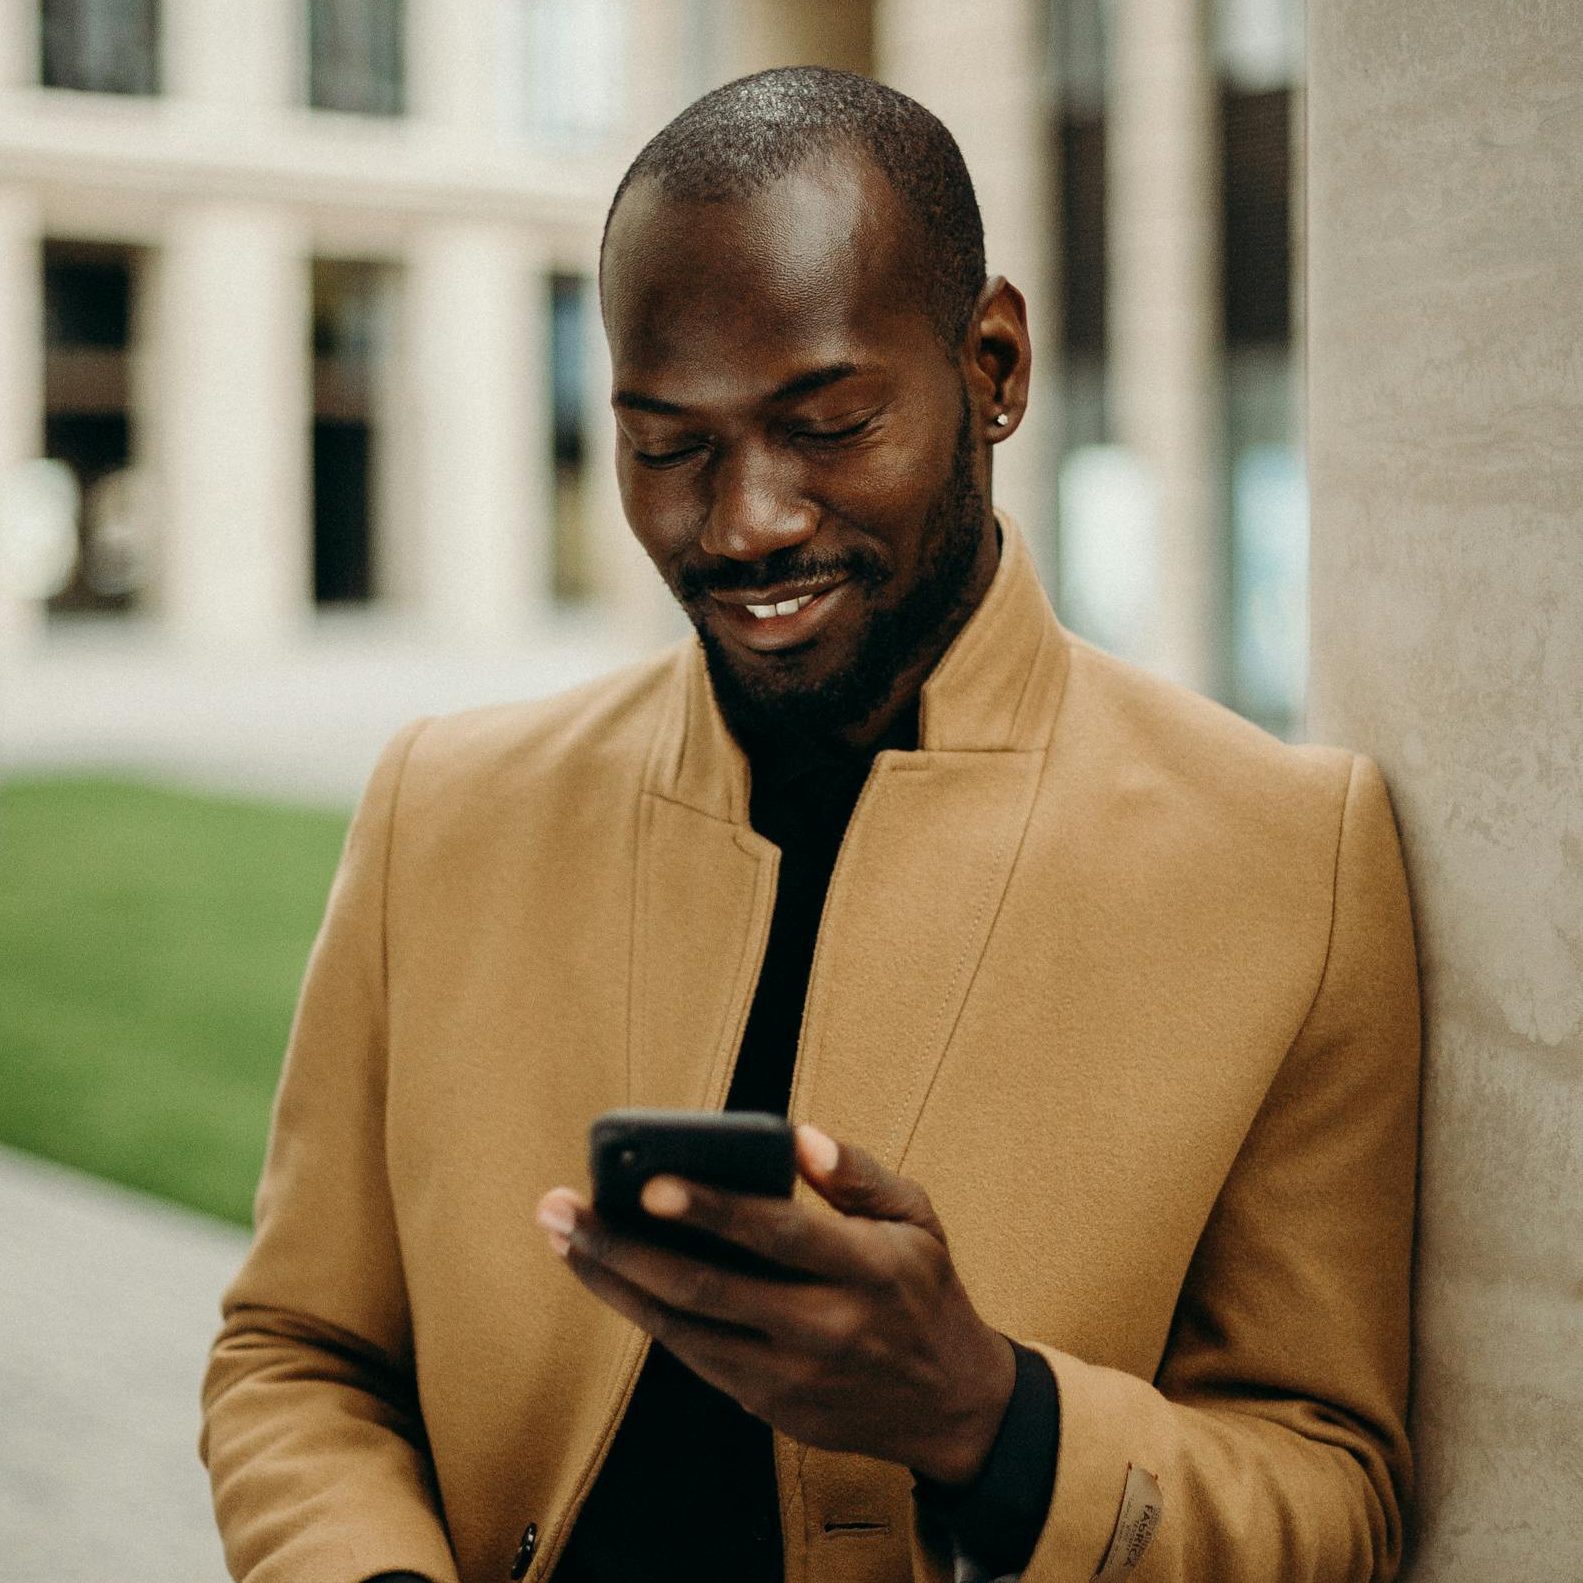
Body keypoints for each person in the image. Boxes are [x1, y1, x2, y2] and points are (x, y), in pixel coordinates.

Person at [201, 67, 1420, 1583]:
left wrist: (991, 1415)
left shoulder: (1295, 862)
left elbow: (1338, 1496)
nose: (745, 523)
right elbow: (299, 1357)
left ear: (994, 366)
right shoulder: (440, 810)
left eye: (827, 423)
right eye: (668, 446)